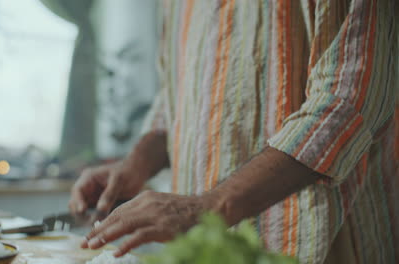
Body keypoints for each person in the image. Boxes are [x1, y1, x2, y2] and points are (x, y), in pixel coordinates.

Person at [69, 0, 398, 263]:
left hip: (322, 249)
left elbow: (348, 102)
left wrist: (208, 208)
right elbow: (174, 98)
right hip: (205, 251)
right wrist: (135, 165)